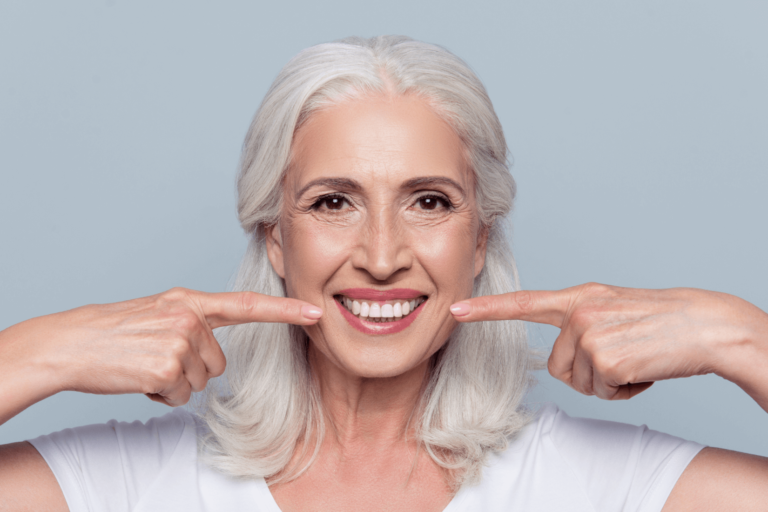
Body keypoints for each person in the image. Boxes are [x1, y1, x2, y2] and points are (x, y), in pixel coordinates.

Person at [1, 35, 767, 511]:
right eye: (333, 202)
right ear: (275, 239)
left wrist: (738, 336)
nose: (380, 254)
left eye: (429, 202)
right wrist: (37, 355)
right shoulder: (122, 485)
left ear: (478, 241)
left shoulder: (611, 486)